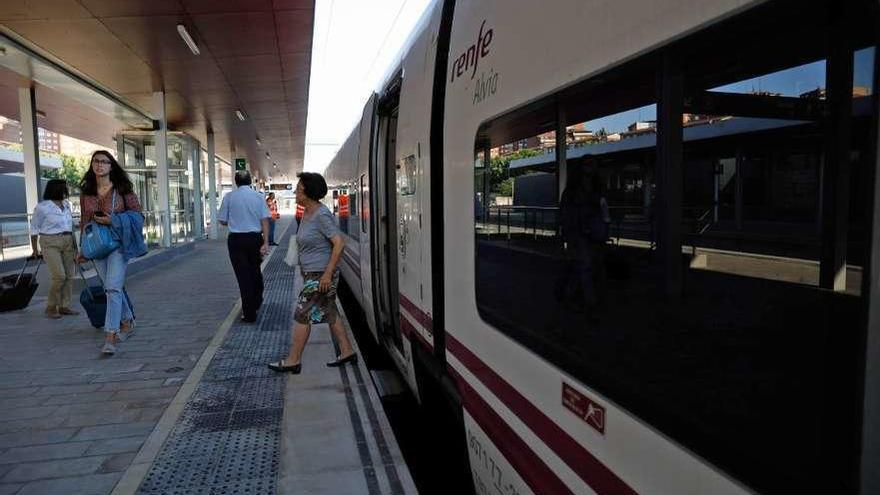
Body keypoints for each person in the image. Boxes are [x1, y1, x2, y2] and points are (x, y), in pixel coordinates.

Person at [269, 172, 356, 373]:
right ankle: (347, 350)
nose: (296, 192)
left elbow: (339, 243)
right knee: (329, 312)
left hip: (321, 274)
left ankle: (293, 360)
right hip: (312, 272)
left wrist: (327, 274)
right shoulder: (307, 213)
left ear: (308, 192)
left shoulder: (321, 214)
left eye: (299, 189)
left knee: (302, 314)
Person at [78, 150, 143, 355]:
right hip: (96, 246)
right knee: (110, 287)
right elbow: (84, 222)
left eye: (104, 162)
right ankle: (128, 321)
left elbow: (139, 216)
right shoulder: (86, 193)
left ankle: (110, 336)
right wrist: (82, 249)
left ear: (111, 166)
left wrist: (113, 220)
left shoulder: (123, 190)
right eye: (96, 161)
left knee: (113, 288)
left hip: (117, 245)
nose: (99, 165)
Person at [219, 170, 270, 323]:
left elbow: (222, 220)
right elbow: (265, 220)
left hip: (236, 240)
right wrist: (266, 242)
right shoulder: (259, 197)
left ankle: (249, 314)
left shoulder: (229, 197)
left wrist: (235, 221)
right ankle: (257, 299)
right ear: (250, 181)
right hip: (255, 239)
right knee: (255, 270)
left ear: (236, 182)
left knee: (243, 276)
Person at [29, 179, 79, 319]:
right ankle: (51, 307)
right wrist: (35, 249)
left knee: (69, 275)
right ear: (56, 189)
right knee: (59, 276)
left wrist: (76, 246)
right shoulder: (42, 207)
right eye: (65, 188)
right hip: (50, 242)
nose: (67, 191)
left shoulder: (67, 205)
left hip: (68, 241)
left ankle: (64, 306)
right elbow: (34, 229)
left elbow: (71, 226)